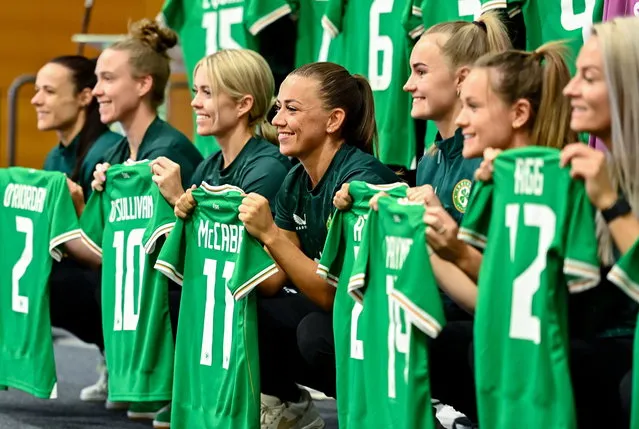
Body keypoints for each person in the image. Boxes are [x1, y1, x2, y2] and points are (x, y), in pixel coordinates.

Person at [236, 62, 400, 429]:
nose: (277, 119)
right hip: (339, 311)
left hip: (387, 322)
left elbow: (334, 295)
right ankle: (289, 404)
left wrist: (270, 234)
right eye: (278, 107)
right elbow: (276, 279)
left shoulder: (361, 181)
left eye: (292, 109)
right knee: (245, 305)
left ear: (333, 120)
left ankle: (394, 407)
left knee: (314, 332)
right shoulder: (295, 178)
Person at [155, 48, 292, 426]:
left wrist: (176, 197)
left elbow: (256, 268)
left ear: (244, 103)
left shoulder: (265, 167)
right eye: (196, 91)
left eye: (206, 93)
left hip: (273, 295)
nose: (195, 102)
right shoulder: (210, 164)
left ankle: (284, 397)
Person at [86, 18, 203, 426]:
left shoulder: (171, 149)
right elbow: (99, 242)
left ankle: (177, 382)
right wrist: (100, 191)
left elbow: (190, 245)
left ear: (143, 85)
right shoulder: (117, 151)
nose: (96, 90)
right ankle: (125, 371)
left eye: (107, 79)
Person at [559, 16, 639, 428]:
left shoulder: (605, 185)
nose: (570, 89)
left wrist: (610, 201)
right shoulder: (597, 171)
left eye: (588, 78)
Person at [30, 54, 121, 404]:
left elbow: (108, 241)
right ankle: (111, 354)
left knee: (45, 281)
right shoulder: (56, 157)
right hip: (82, 268)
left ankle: (119, 357)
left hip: (109, 271)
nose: (36, 99)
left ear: (85, 97)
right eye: (37, 90)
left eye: (49, 91)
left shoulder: (107, 152)